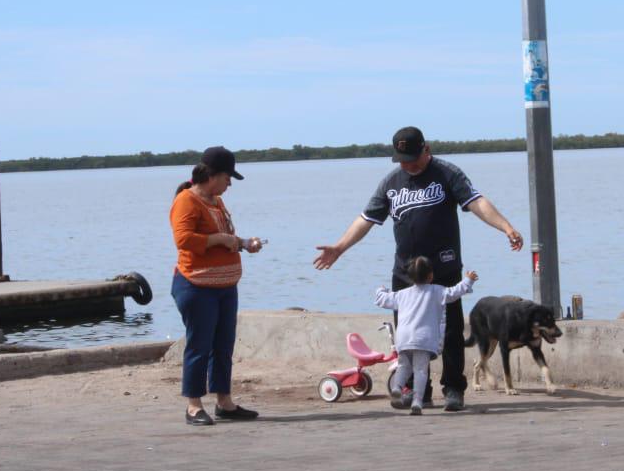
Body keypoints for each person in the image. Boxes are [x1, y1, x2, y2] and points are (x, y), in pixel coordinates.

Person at [314, 126, 523, 412]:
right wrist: (339, 247)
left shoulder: (447, 173)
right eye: (402, 160)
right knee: (408, 335)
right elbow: (366, 219)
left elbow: (477, 202)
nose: (408, 165)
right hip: (406, 273)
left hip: (444, 268)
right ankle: (416, 392)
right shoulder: (391, 182)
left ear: (427, 150)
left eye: (412, 158)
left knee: (449, 331)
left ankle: (453, 389)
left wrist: (506, 227)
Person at [169, 146, 265, 427]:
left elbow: (223, 235)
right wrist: (222, 241)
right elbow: (184, 240)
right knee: (199, 345)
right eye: (227, 178)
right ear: (212, 175)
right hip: (196, 285)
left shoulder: (216, 202)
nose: (229, 184)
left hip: (224, 285)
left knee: (223, 345)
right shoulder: (187, 201)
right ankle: (193, 405)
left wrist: (244, 243)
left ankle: (224, 401)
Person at [374, 257, 477, 414]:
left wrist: (380, 290)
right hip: (423, 340)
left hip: (403, 339)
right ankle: (417, 401)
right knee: (420, 370)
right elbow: (454, 292)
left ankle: (397, 387)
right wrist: (468, 280)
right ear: (430, 276)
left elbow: (384, 300)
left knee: (404, 366)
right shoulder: (437, 291)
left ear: (410, 277)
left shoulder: (402, 294)